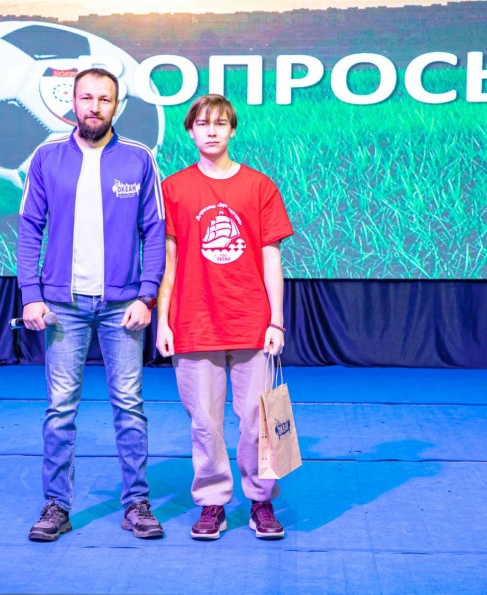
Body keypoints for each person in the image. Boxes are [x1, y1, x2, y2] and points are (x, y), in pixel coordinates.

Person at [17, 68, 166, 542]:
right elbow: (29, 229)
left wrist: (146, 295)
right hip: (63, 306)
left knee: (130, 406)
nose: (95, 106)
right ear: (73, 102)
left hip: (123, 307)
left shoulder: (139, 158)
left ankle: (136, 504)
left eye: (104, 99)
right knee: (60, 408)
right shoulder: (46, 157)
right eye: (86, 97)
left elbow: (155, 232)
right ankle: (56, 506)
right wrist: (31, 295)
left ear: (116, 106)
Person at [156, 94, 294, 541]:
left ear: (233, 130)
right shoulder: (174, 188)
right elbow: (169, 262)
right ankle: (212, 502)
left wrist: (276, 320)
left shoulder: (260, 186)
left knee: (260, 420)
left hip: (251, 322)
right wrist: (164, 320)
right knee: (205, 423)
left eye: (220, 123)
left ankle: (261, 501)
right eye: (202, 123)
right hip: (194, 323)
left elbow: (271, 258)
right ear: (190, 131)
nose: (211, 130)